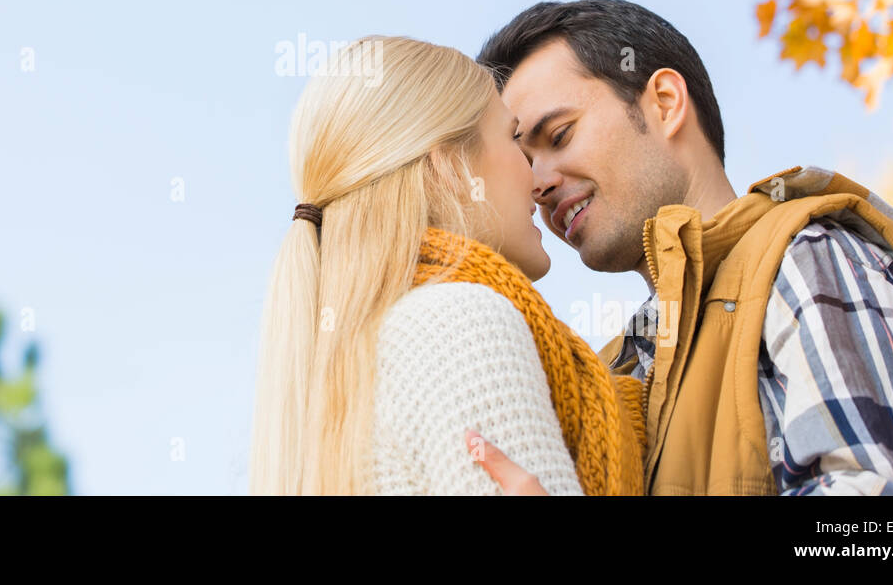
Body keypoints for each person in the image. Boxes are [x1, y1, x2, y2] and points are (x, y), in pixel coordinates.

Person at [468, 0, 893, 495]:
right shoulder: (616, 367)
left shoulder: (806, 258)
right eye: (524, 160)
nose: (538, 183)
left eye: (560, 134)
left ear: (664, 103)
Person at [248, 35, 645, 495]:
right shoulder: (459, 322)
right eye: (513, 139)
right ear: (449, 169)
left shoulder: (356, 356)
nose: (538, 182)